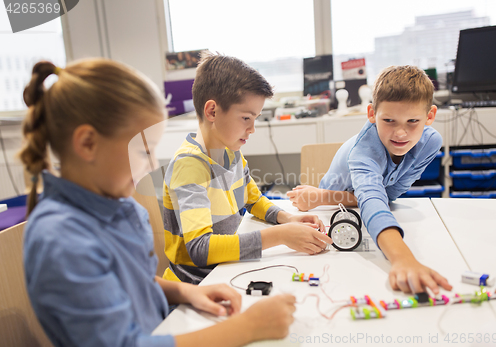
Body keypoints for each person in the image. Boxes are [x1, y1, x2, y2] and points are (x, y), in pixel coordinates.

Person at [21, 58, 296, 347]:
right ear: (88, 144)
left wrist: (184, 293)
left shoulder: (122, 208)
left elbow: (133, 281)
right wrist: (246, 329)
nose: (153, 164)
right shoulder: (61, 239)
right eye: (143, 151)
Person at [163, 52, 332, 284]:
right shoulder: (189, 165)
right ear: (212, 111)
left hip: (225, 271)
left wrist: (286, 219)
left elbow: (253, 199)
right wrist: (280, 235)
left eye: (256, 119)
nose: (252, 129)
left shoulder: (231, 152)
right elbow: (201, 248)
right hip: (195, 286)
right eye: (246, 118)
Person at [287, 65, 453, 295]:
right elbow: (374, 200)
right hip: (330, 209)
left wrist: (359, 198)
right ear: (372, 114)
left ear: (430, 116)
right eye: (389, 121)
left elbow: (389, 196)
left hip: (352, 202)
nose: (401, 133)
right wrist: (402, 258)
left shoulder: (431, 142)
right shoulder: (363, 152)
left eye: (413, 121)